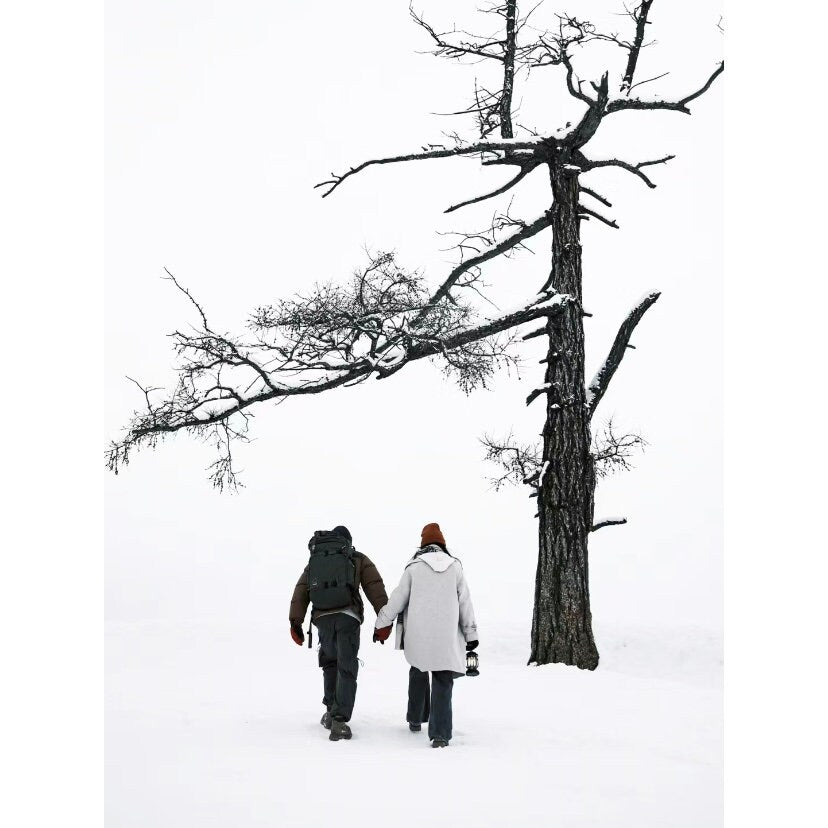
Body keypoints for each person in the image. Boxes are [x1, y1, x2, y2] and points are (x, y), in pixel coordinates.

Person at [374, 522, 478, 748]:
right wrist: (471, 635)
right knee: (442, 679)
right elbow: (465, 603)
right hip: (446, 638)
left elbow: (397, 599)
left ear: (423, 545)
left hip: (417, 636)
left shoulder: (413, 567)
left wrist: (381, 624)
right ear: (442, 544)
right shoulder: (455, 567)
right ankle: (440, 734)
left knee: (418, 670)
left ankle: (415, 718)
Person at [289, 525, 388, 741]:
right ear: (348, 542)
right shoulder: (357, 557)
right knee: (346, 665)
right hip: (347, 617)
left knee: (330, 663)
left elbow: (301, 590)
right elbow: (375, 587)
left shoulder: (316, 560)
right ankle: (339, 720)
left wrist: (295, 622)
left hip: (322, 618)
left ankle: (329, 710)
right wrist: (384, 620)